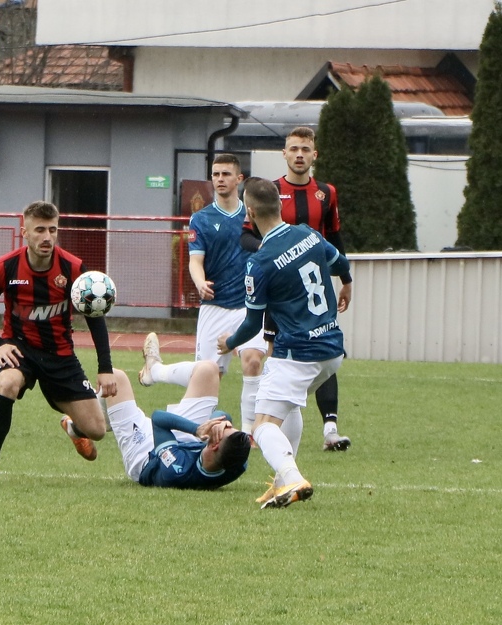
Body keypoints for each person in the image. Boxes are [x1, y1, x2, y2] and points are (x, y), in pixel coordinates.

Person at [0, 201, 117, 486]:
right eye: (39, 230)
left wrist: (105, 367)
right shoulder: (5, 266)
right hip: (20, 349)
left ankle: (73, 428)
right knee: (7, 383)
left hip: (60, 355)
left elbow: (95, 318)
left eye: (52, 230)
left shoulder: (72, 268)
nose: (47, 237)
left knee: (96, 430)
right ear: (25, 232)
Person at [220, 177, 351, 508]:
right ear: (279, 204)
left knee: (262, 425)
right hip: (332, 348)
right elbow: (341, 262)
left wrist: (229, 342)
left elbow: (252, 321)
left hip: (297, 353)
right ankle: (281, 481)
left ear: (249, 212)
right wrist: (346, 283)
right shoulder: (309, 234)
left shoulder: (260, 263)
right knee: (289, 405)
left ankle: (292, 478)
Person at [241, 126, 353, 452]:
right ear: (285, 154)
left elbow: (335, 238)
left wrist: (346, 279)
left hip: (315, 287)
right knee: (281, 356)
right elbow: (245, 236)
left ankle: (329, 428)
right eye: (294, 149)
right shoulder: (270, 192)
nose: (300, 154)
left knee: (321, 347)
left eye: (305, 149)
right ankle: (265, 429)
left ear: (314, 154)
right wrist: (276, 252)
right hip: (283, 290)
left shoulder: (326, 193)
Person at [139, 154, 266, 437]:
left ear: (239, 179)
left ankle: (248, 433)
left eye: (225, 174)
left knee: (254, 360)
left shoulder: (253, 215)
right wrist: (199, 282)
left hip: (251, 305)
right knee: (208, 374)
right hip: (215, 307)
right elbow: (195, 260)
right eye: (215, 174)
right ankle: (156, 371)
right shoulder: (202, 218)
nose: (219, 179)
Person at [76, 347, 250, 489]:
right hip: (188, 441)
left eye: (224, 430)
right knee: (208, 370)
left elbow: (159, 419)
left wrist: (196, 429)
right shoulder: (237, 463)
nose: (225, 425)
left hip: (146, 452)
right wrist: (222, 421)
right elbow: (222, 417)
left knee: (115, 378)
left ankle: (84, 425)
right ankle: (155, 371)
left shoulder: (176, 471)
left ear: (215, 444)